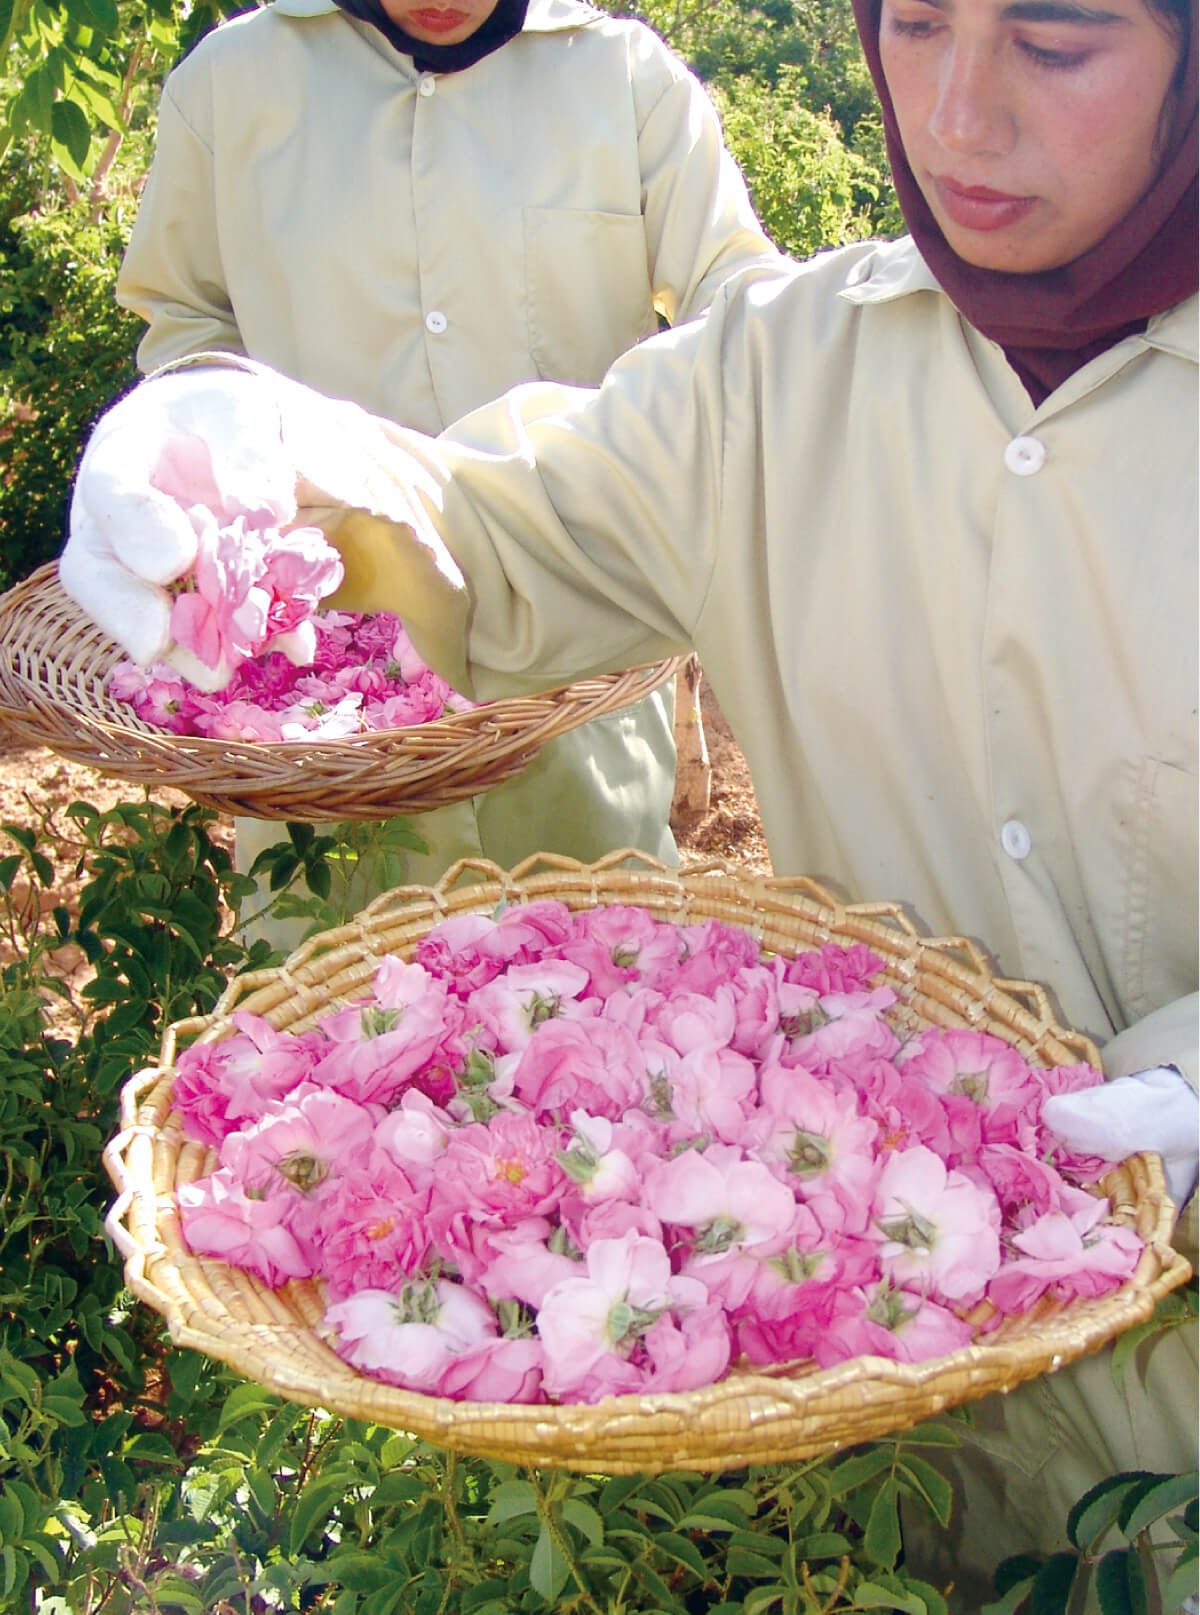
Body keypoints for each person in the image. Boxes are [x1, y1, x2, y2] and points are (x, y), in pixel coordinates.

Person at [62, 0, 1198, 1595]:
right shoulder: (783, 376)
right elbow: (500, 532)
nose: (953, 120)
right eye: (920, 26)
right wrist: (265, 445)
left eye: (1056, 48)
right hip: (877, 1432)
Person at [109, 0, 786, 934]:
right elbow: (181, 319)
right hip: (324, 706)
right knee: (333, 1027)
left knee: (602, 1016)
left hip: (571, 686)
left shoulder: (625, 80)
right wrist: (224, 444)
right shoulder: (230, 89)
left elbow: (738, 301)